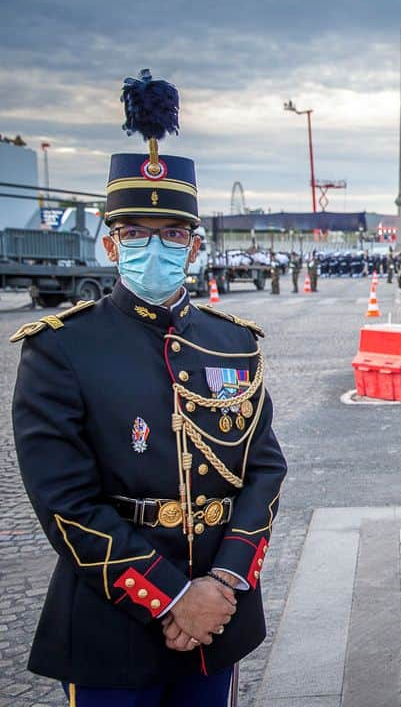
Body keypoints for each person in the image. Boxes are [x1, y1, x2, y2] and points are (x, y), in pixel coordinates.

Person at [9, 69, 287, 707]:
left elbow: (264, 469)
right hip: (114, 619)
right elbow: (65, 501)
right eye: (135, 233)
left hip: (220, 611)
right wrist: (171, 596)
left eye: (172, 235)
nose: (153, 247)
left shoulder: (233, 341)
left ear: (193, 247)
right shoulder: (60, 348)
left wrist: (221, 582)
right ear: (111, 243)